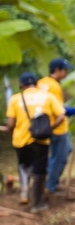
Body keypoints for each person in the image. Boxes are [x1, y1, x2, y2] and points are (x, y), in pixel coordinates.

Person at [1, 73, 65, 212]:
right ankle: (37, 203)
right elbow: (61, 115)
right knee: (39, 171)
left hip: (20, 140)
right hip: (40, 139)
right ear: (36, 83)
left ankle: (24, 195)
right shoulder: (48, 96)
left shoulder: (15, 99)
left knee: (24, 166)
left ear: (21, 85)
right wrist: (51, 128)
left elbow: (10, 125)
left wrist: (5, 128)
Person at [38, 58, 75, 195]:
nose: (66, 73)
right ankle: (50, 187)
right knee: (60, 157)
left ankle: (47, 179)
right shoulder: (54, 87)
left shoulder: (42, 83)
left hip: (44, 125)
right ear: (57, 70)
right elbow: (60, 110)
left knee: (63, 151)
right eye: (65, 70)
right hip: (58, 127)